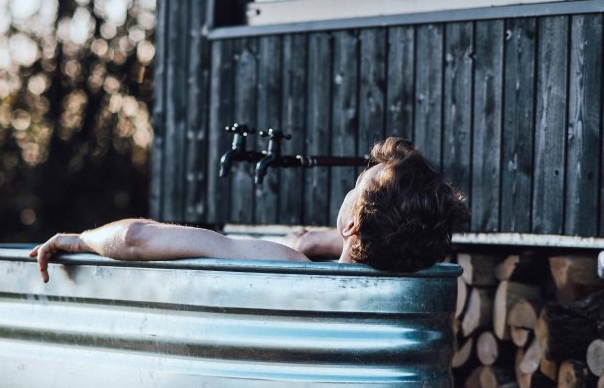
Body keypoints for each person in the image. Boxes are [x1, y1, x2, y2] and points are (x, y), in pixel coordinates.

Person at [30, 136, 469, 282]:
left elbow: (134, 238)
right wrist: (323, 239)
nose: (353, 184)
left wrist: (79, 239)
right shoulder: (412, 276)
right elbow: (387, 239)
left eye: (359, 185)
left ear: (354, 223)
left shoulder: (292, 267)